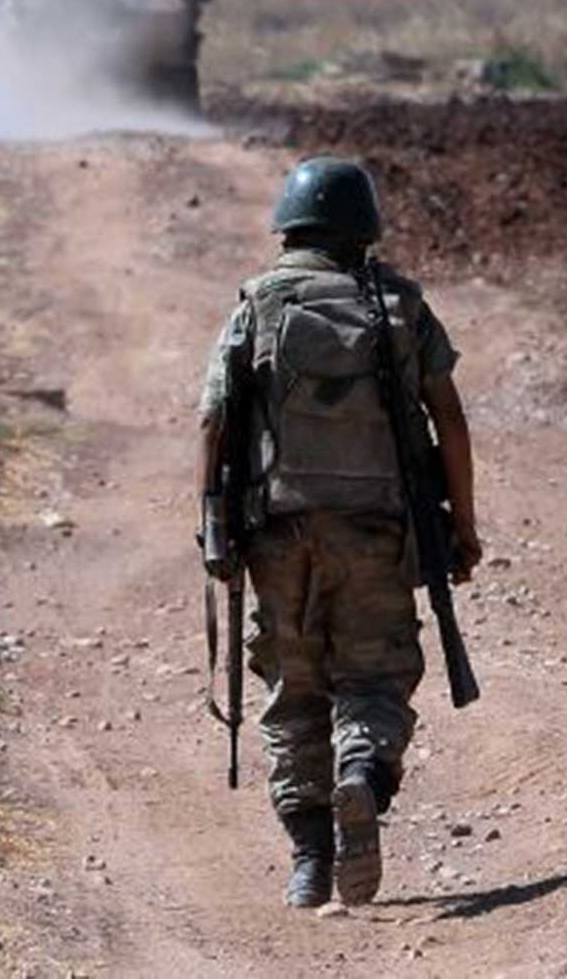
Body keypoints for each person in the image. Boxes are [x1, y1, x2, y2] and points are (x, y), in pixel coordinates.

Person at [197, 157, 481, 909]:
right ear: (365, 228)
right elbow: (448, 419)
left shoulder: (257, 304)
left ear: (288, 227)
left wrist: (214, 527)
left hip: (278, 532)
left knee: (293, 690)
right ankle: (361, 773)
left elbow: (216, 421)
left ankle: (309, 859)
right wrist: (464, 526)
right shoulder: (398, 305)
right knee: (377, 676)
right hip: (376, 531)